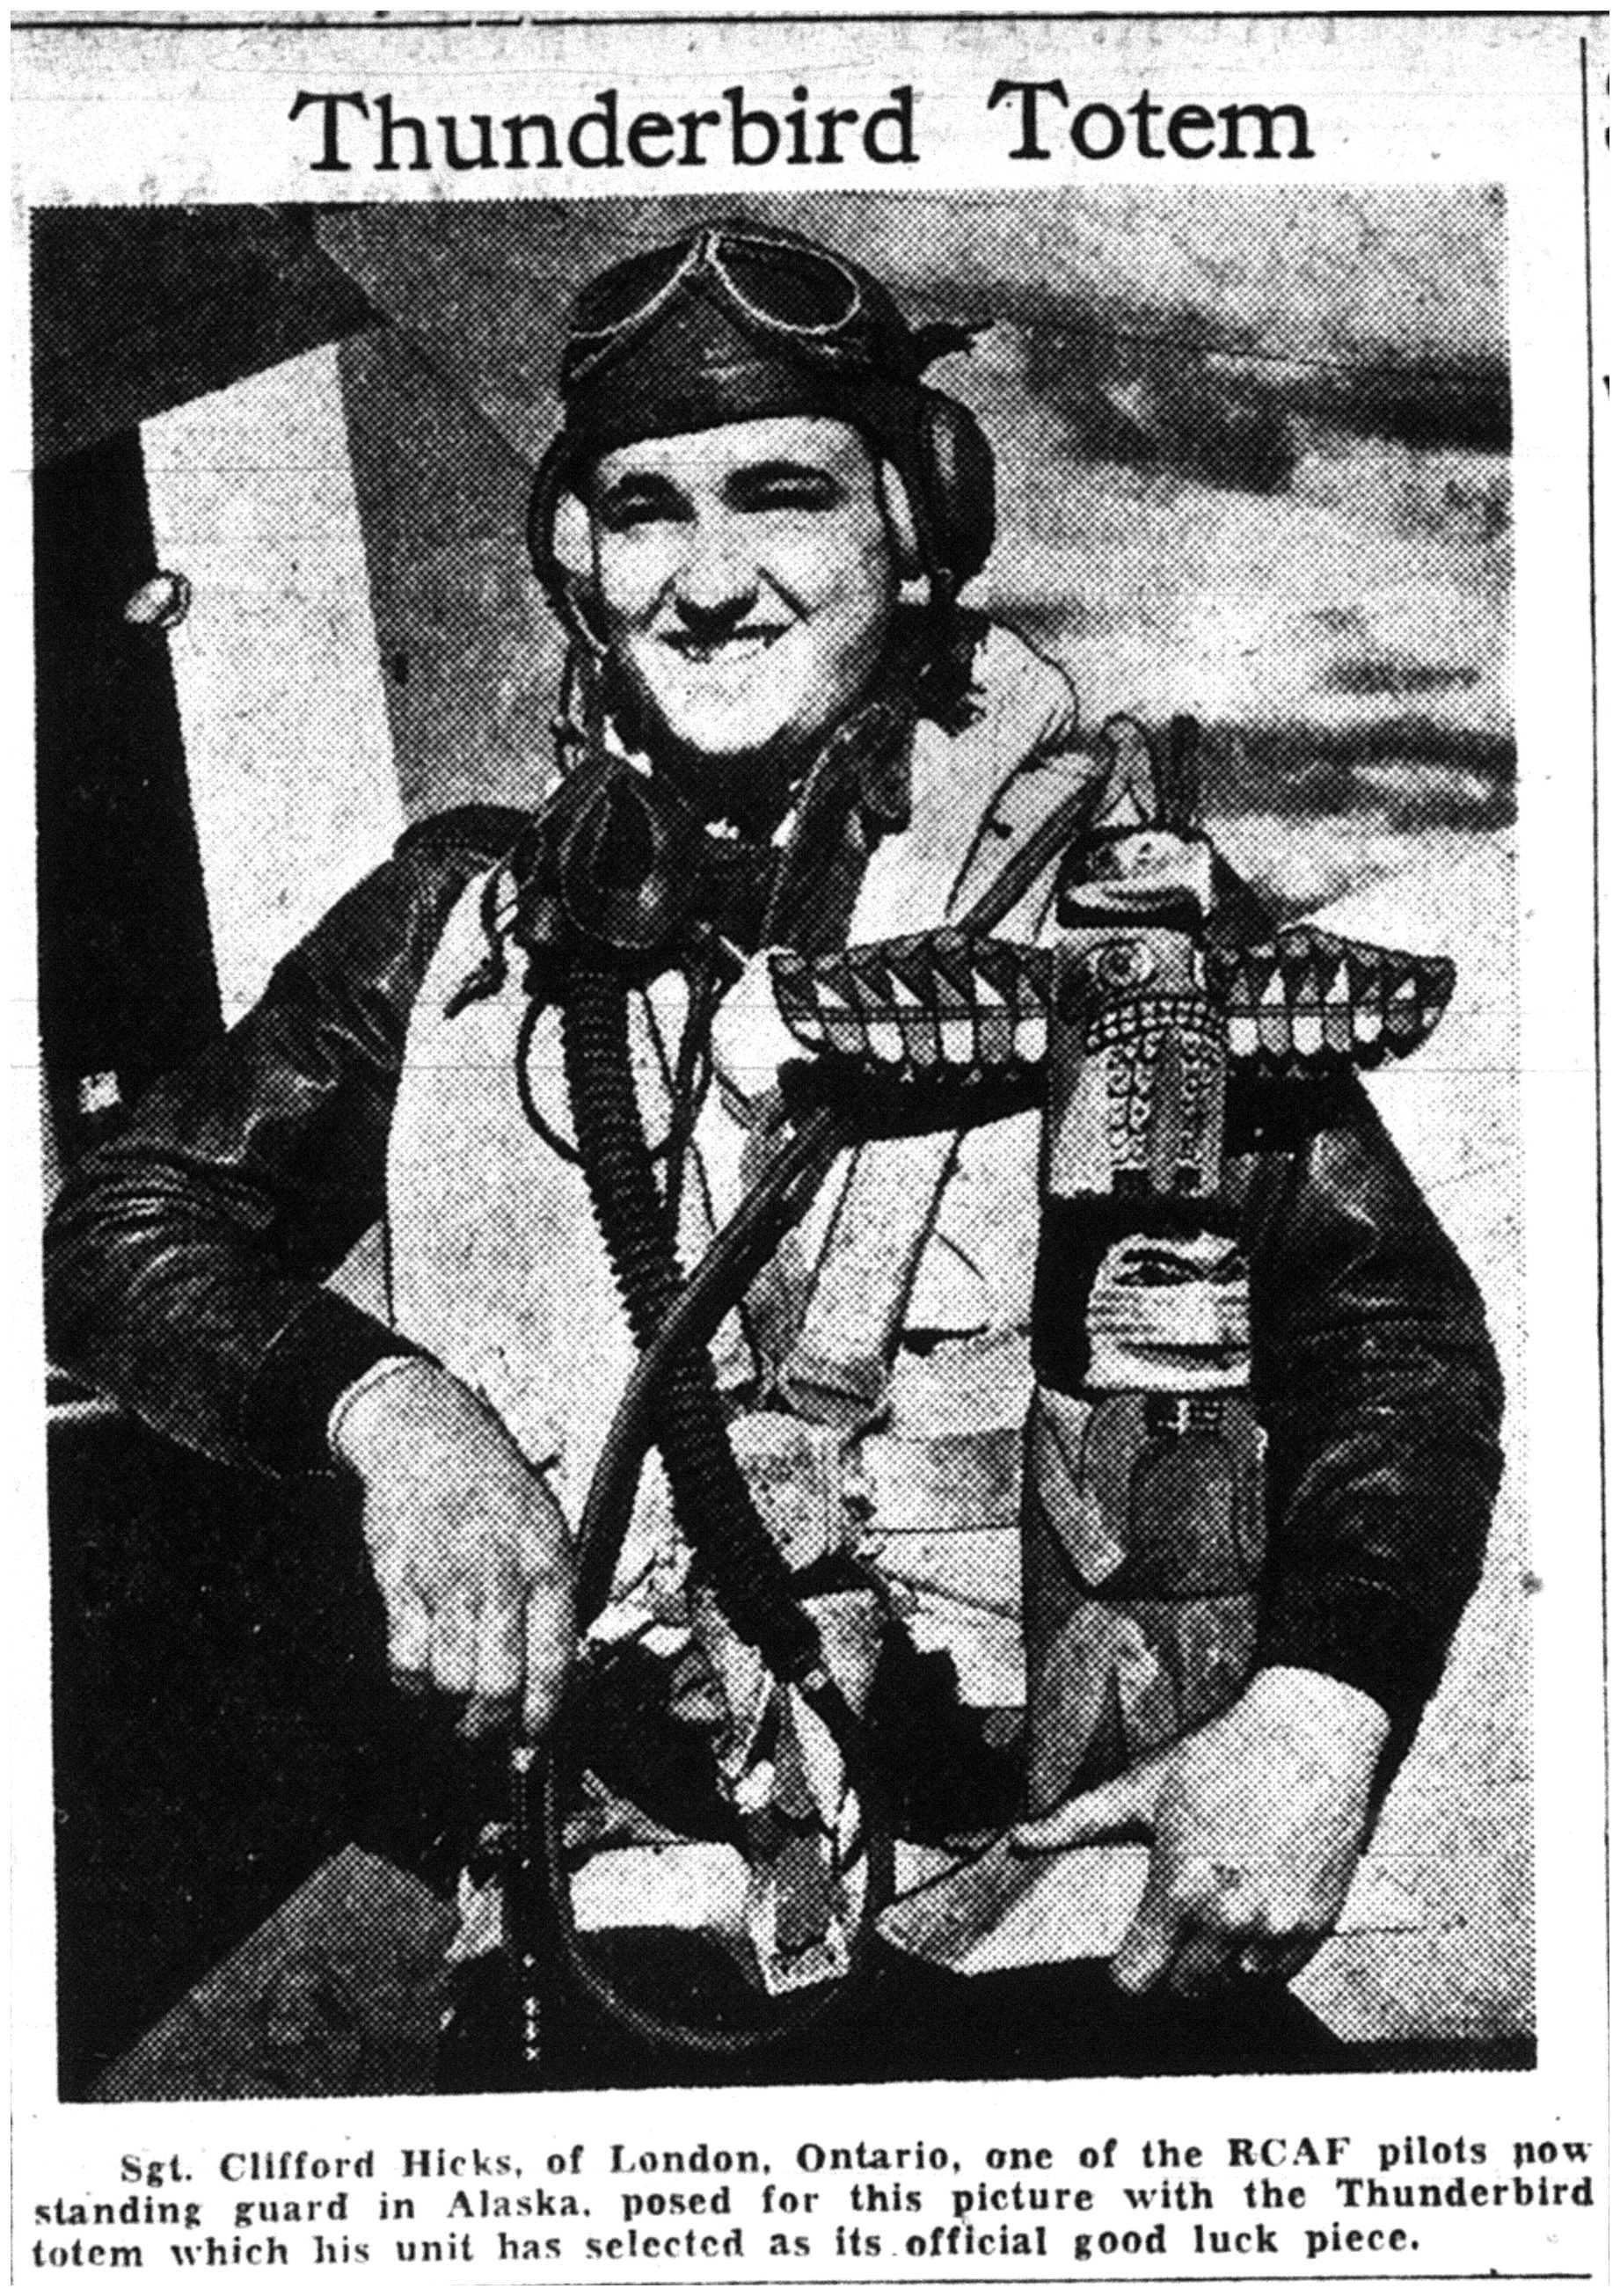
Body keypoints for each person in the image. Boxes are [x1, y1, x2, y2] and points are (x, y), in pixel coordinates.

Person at [44, 219, 1503, 2029]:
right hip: (613, 1908)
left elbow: (1392, 1339)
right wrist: (393, 1413)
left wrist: (1323, 1712)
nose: (708, 577)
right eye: (646, 509)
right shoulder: (453, 927)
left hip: (1055, 1915)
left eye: (781, 496)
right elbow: (121, 1226)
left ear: (914, 527)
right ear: (580, 562)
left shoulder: (1126, 925)